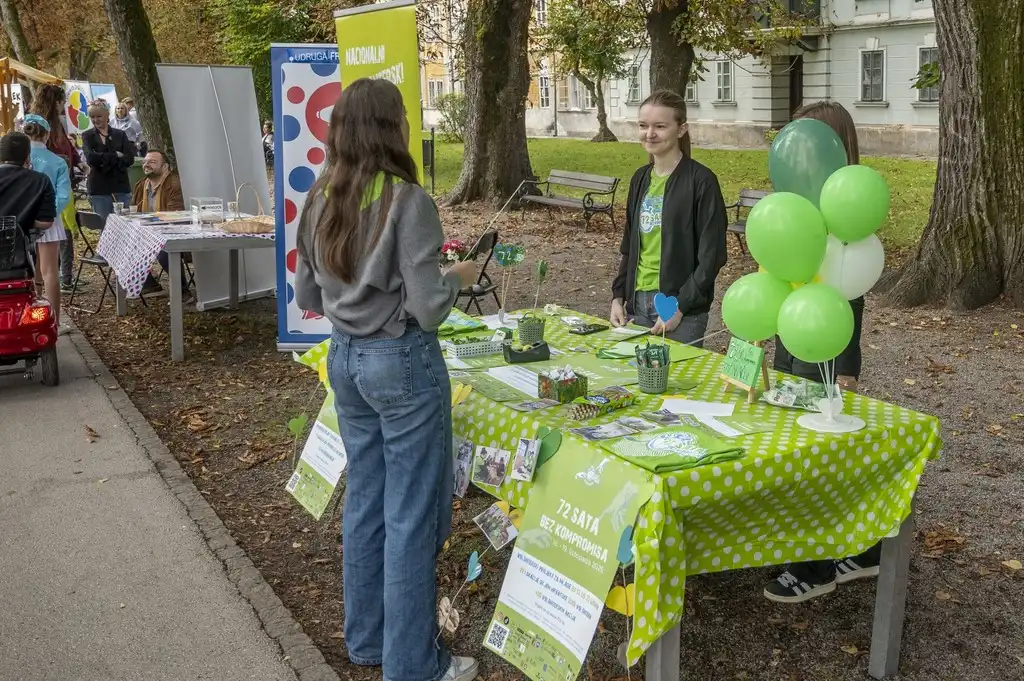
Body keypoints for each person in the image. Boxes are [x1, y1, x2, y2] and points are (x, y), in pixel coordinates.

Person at [293, 78, 479, 681]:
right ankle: (413, 666)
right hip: (401, 362)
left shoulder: (319, 196)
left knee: (367, 501)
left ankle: (368, 642)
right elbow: (428, 307)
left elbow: (305, 295)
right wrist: (460, 275)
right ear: (391, 127)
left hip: (344, 361)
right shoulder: (406, 200)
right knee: (411, 515)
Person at [763, 100, 876, 604]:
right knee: (793, 434)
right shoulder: (799, 207)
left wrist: (846, 367)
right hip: (794, 331)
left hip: (826, 342)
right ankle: (861, 546)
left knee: (816, 450)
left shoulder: (844, 212)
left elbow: (851, 296)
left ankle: (819, 562)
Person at [610, 89, 728, 346]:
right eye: (643, 125)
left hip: (681, 311)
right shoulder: (640, 179)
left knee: (676, 383)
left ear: (681, 129)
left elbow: (712, 256)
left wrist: (680, 306)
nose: (649, 134)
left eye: (660, 126)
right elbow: (630, 245)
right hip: (637, 304)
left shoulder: (701, 181)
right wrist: (618, 296)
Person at [31, 84, 81, 293]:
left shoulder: (56, 125)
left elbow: (68, 148)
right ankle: (61, 278)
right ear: (56, 102)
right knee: (59, 237)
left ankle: (64, 275)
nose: (64, 106)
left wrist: (77, 160)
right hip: (51, 191)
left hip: (50, 189)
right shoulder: (42, 126)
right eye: (62, 102)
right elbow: (54, 154)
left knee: (61, 236)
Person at [21, 116, 71, 326]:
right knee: (50, 271)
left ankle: (28, 315)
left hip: (21, 218)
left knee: (27, 268)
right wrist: (48, 214)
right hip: (48, 219)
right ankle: (54, 322)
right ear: (47, 134)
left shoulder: (18, 160)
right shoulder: (57, 161)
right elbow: (64, 196)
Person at [131, 150, 189, 298]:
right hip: (148, 232)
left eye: (152, 162)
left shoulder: (174, 185)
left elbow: (175, 216)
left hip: (175, 233)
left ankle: (183, 292)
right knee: (127, 241)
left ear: (165, 167)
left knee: (162, 248)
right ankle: (149, 284)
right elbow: (133, 211)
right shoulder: (141, 185)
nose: (146, 165)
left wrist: (150, 222)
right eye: (145, 162)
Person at [0, 131, 56, 279]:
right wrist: (22, 221)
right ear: (27, 157)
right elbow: (46, 222)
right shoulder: (41, 181)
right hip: (18, 257)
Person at [82, 103, 135, 220]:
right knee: (104, 225)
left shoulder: (120, 134)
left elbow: (129, 159)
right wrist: (116, 155)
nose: (96, 120)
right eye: (92, 117)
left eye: (99, 116)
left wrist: (101, 157)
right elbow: (91, 159)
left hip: (120, 187)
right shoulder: (87, 135)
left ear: (107, 115)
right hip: (99, 188)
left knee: (124, 225)